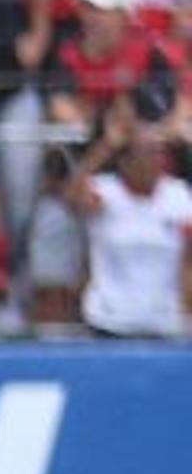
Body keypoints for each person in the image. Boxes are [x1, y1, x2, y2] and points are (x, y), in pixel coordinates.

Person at [71, 101, 192, 339]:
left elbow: (188, 260)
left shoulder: (178, 196)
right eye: (147, 153)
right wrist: (107, 146)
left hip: (164, 322)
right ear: (126, 161)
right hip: (109, 320)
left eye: (160, 153)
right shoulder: (107, 193)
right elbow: (72, 196)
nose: (157, 160)